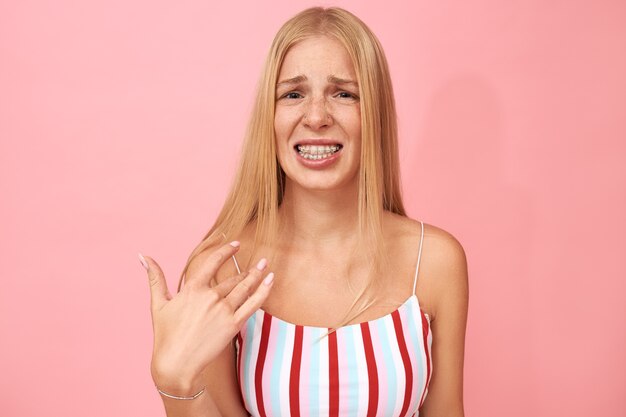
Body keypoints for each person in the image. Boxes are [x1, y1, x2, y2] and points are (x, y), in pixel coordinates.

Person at [140, 6, 468, 417]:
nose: (316, 117)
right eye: (293, 94)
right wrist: (173, 382)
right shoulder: (225, 270)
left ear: (376, 115)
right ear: (269, 116)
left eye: (344, 93)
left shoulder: (435, 262)